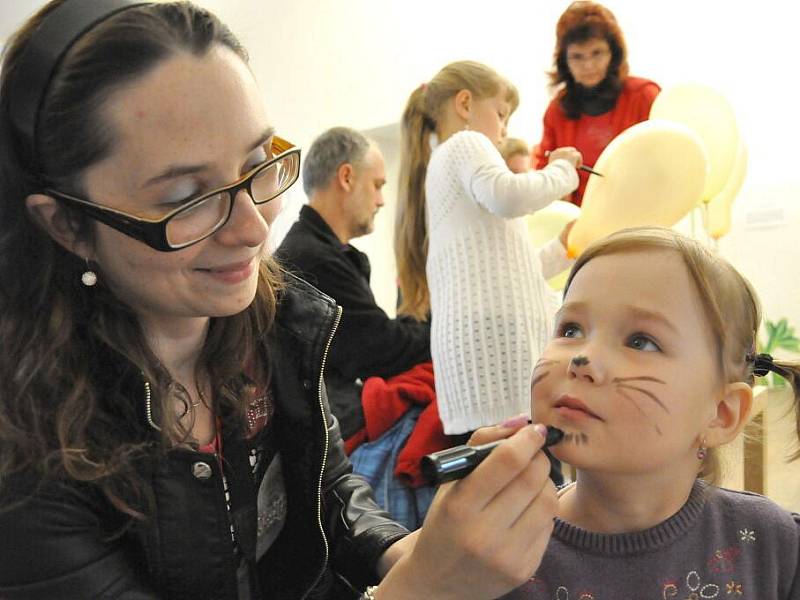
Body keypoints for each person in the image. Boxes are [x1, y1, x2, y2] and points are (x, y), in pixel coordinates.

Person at [0, 2, 560, 599]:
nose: (252, 229)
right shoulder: (23, 445)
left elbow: (329, 488)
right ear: (67, 225)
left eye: (256, 165)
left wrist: (407, 549)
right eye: (188, 197)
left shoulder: (275, 322)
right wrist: (424, 588)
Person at [501, 227, 800, 598]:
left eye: (640, 341)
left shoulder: (770, 545)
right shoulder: (495, 549)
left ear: (721, 413)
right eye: (571, 328)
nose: (582, 360)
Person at [395, 60, 581, 436]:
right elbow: (507, 195)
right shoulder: (466, 143)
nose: (503, 131)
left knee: (515, 477)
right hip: (496, 361)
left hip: (485, 367)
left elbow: (510, 273)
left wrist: (561, 248)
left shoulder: (445, 165)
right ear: (465, 104)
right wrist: (562, 171)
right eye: (501, 114)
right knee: (530, 475)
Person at [276, 127, 430, 440]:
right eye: (377, 185)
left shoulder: (318, 251)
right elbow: (381, 349)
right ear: (346, 178)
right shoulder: (312, 259)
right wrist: (449, 334)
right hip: (328, 431)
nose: (381, 200)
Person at [533, 1, 661, 206]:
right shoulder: (556, 111)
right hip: (579, 222)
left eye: (597, 53)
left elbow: (665, 163)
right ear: (564, 61)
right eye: (577, 56)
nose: (588, 65)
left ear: (614, 53)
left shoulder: (644, 95)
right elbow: (544, 178)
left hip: (640, 215)